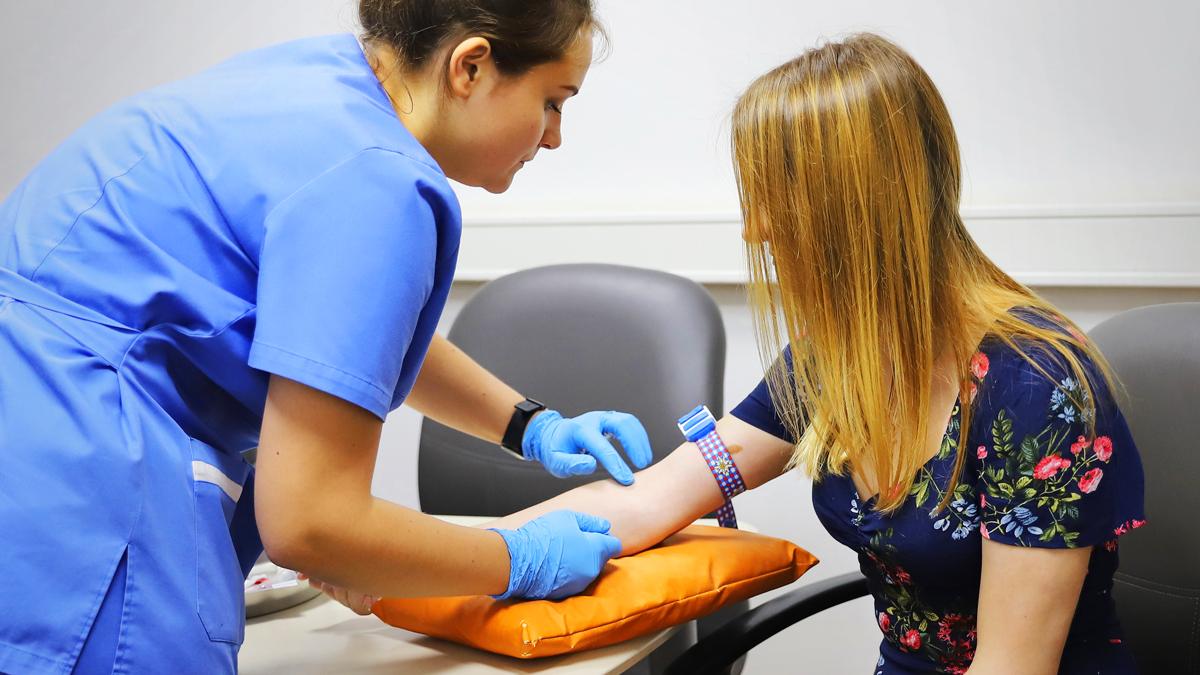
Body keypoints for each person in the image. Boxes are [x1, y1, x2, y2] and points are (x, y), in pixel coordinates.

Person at [0, 1, 653, 673]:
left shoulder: (311, 87)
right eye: (553, 101)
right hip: (81, 489)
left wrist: (531, 425)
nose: (554, 137)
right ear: (471, 67)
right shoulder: (377, 183)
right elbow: (311, 522)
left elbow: (332, 326)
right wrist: (515, 558)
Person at [482, 33, 1147, 674]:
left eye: (772, 197)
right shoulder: (832, 362)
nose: (756, 228)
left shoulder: (1036, 387)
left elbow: (1012, 666)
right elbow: (649, 499)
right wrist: (455, 559)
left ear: (847, 208)